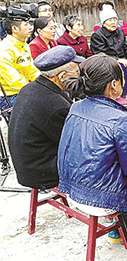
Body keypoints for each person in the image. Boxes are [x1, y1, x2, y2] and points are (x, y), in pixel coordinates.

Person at [57, 54, 127, 259]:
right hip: (103, 200)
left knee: (110, 168)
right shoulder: (120, 119)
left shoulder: (76, 107)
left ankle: (117, 230)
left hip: (72, 191)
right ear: (114, 85)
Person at [8, 46, 83, 189]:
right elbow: (73, 145)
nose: (79, 75)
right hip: (41, 171)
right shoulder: (56, 105)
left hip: (27, 164)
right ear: (62, 76)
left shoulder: (30, 88)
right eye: (76, 72)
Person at [0, 17, 38, 110]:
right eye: (25, 24)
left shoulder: (23, 45)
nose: (30, 27)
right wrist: (36, 90)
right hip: (10, 96)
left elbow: (33, 70)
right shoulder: (5, 49)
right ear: (15, 29)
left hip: (26, 90)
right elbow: (14, 81)